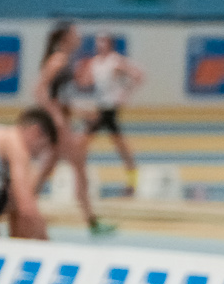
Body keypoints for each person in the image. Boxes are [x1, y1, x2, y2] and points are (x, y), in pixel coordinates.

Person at [34, 23, 108, 235]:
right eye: (75, 34)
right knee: (79, 165)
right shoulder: (57, 60)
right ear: (66, 37)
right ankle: (91, 220)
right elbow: (39, 91)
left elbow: (61, 98)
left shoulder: (65, 60)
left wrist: (81, 111)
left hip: (62, 122)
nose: (79, 37)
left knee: (47, 169)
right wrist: (55, 117)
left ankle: (25, 206)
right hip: (59, 126)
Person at [84, 38, 144, 192]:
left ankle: (132, 182)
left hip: (109, 109)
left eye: (103, 41)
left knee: (119, 146)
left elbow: (138, 75)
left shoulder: (115, 61)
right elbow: (87, 83)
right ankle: (131, 182)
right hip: (99, 108)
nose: (99, 44)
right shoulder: (95, 62)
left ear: (109, 44)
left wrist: (124, 93)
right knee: (117, 145)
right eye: (98, 41)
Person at [0, 109, 58, 239]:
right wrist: (49, 249)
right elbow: (26, 207)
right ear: (36, 131)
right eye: (42, 147)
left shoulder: (3, 136)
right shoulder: (15, 142)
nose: (37, 154)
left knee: (12, 198)